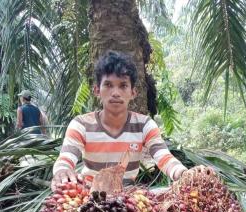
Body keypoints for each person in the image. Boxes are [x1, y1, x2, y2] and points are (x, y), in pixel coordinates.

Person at [51, 51, 188, 191]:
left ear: (133, 92)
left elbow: (164, 158)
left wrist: (184, 174)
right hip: (89, 202)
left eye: (123, 86)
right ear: (97, 90)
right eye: (108, 85)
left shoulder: (144, 125)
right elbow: (66, 158)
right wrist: (62, 171)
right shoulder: (81, 125)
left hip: (129, 203)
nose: (115, 93)